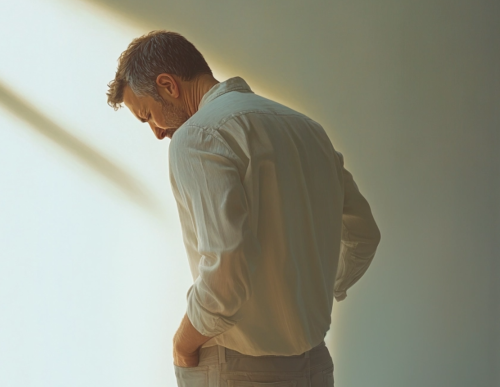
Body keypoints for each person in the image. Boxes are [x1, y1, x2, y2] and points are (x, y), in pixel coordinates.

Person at [106, 30, 381, 387]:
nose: (157, 133)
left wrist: (182, 344)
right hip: (315, 366)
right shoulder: (308, 130)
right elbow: (364, 234)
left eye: (148, 116)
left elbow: (226, 272)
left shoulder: (197, 137)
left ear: (168, 85)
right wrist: (317, 288)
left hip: (239, 370)